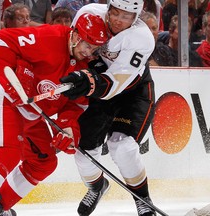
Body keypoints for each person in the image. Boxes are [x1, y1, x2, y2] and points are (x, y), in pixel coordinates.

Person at [0, 13, 109, 216]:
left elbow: (77, 105)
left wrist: (69, 127)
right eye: (87, 45)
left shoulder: (83, 67)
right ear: (76, 35)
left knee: (44, 161)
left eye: (94, 49)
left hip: (30, 112)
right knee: (7, 151)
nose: (89, 52)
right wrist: (16, 75)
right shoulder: (50, 37)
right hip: (2, 93)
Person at [60, 0, 157, 215]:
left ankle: (143, 199)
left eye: (127, 16)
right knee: (83, 153)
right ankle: (97, 187)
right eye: (115, 13)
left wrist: (88, 81)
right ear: (108, 9)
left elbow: (115, 84)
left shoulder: (141, 38)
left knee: (122, 147)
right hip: (97, 86)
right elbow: (73, 46)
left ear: (136, 17)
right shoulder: (88, 13)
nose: (119, 20)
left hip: (131, 91)